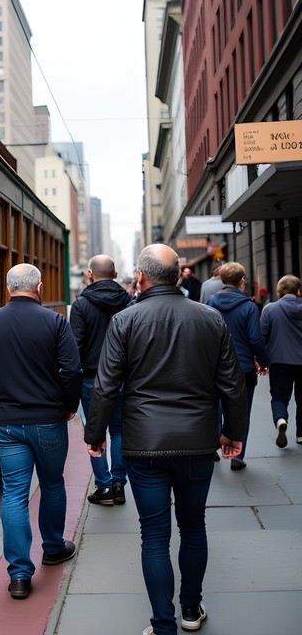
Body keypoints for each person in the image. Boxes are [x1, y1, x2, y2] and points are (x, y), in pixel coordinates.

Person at [85, 244, 246, 635]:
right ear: (178, 276)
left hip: (144, 444)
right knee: (193, 526)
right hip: (197, 442)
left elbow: (106, 387)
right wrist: (233, 434)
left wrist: (96, 435)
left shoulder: (125, 321)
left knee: (153, 534)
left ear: (140, 277)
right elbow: (233, 386)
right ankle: (191, 610)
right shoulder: (211, 319)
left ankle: (163, 625)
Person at [0, 263, 82, 601]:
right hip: (48, 420)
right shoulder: (56, 322)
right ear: (40, 287)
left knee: (14, 493)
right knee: (52, 483)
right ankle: (53, 548)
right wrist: (69, 405)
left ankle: (18, 575)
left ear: (7, 289)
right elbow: (72, 370)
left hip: (6, 424)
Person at [69, 254, 134, 505]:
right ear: (116, 275)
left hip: (91, 379)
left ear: (89, 274)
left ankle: (104, 486)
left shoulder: (81, 304)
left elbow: (75, 346)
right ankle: (119, 484)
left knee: (94, 431)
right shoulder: (129, 302)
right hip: (122, 377)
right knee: (119, 430)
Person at [205, 261, 268, 469]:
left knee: (215, 406)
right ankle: (238, 455)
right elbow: (255, 339)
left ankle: (213, 444)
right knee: (243, 410)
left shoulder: (211, 303)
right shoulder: (249, 306)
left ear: (223, 280)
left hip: (216, 365)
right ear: (242, 280)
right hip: (244, 368)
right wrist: (263, 361)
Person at [260, 274, 302, 448]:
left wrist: (262, 360)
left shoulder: (270, 309)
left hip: (279, 361)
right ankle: (301, 435)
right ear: (299, 290)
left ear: (279, 291)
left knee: (279, 397)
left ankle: (281, 419)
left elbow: (262, 335)